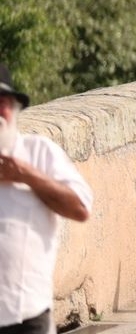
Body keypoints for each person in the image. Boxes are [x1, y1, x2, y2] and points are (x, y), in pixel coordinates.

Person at [0, 64, 93, 334]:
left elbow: (80, 207)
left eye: (2, 103)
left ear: (14, 109)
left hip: (27, 316)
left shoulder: (39, 152)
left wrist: (26, 174)